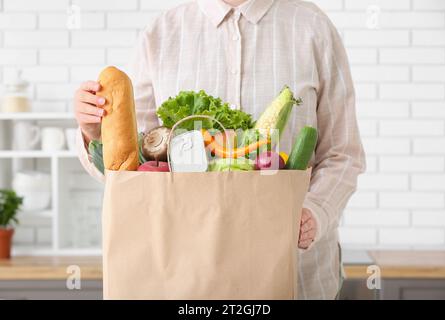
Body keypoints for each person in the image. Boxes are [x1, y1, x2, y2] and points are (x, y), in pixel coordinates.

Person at [74, 0, 365, 299]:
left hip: (297, 270)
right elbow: (135, 168)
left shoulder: (312, 27)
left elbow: (343, 153)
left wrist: (315, 212)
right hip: (188, 275)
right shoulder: (161, 34)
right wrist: (95, 132)